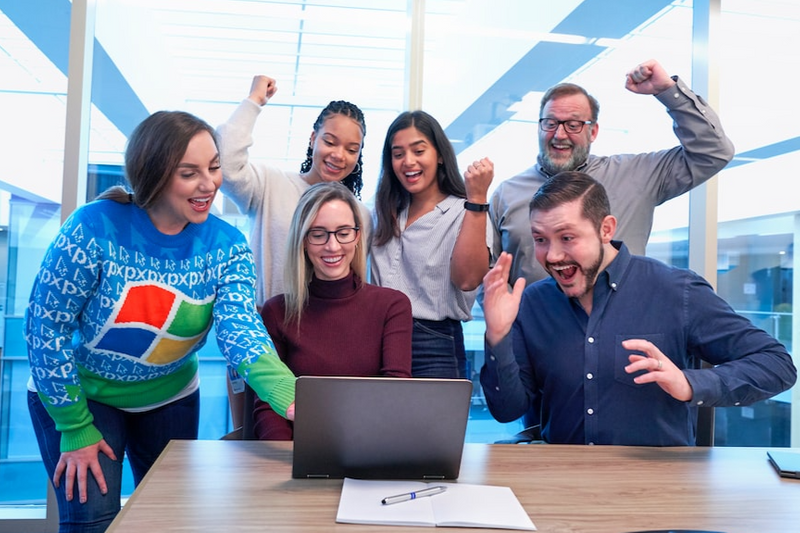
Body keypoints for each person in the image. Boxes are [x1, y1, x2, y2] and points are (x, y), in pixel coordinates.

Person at [25, 110, 297, 532]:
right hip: (84, 396)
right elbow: (46, 328)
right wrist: (74, 425)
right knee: (93, 520)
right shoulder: (93, 228)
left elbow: (239, 326)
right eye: (189, 173)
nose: (209, 184)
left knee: (169, 518)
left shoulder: (227, 245)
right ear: (153, 174)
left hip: (169, 396)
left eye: (213, 167)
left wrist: (287, 392)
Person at [487, 58, 736, 433]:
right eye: (550, 123)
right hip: (542, 361)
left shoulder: (637, 175)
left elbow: (714, 152)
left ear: (594, 130)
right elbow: (492, 275)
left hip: (624, 349)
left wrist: (668, 92)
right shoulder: (508, 193)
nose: (559, 134)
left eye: (573, 124)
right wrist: (504, 335)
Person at [479, 171, 797, 446]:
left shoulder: (676, 290)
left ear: (606, 229)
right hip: (564, 483)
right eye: (541, 239)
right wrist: (497, 336)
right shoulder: (533, 303)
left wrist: (689, 384)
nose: (552, 256)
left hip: (658, 488)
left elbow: (777, 365)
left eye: (566, 237)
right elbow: (507, 410)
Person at [216, 74, 371, 425]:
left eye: (352, 148)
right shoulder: (271, 185)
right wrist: (254, 100)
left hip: (322, 344)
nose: (339, 155)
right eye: (330, 141)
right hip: (261, 343)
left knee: (317, 441)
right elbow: (224, 164)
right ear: (313, 139)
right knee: (250, 442)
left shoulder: (360, 215)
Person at [254, 182, 413, 440]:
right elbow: (269, 405)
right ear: (303, 241)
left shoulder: (392, 306)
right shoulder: (277, 312)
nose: (332, 246)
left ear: (357, 236)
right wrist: (284, 458)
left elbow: (394, 393)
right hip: (300, 453)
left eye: (343, 232)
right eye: (318, 234)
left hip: (372, 449)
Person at [370, 110, 494, 379]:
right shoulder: (380, 211)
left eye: (419, 150)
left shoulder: (466, 211)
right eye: (398, 153)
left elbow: (469, 279)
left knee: (434, 422)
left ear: (439, 155)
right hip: (376, 338)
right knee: (377, 421)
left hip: (433, 343)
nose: (408, 161)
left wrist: (477, 199)